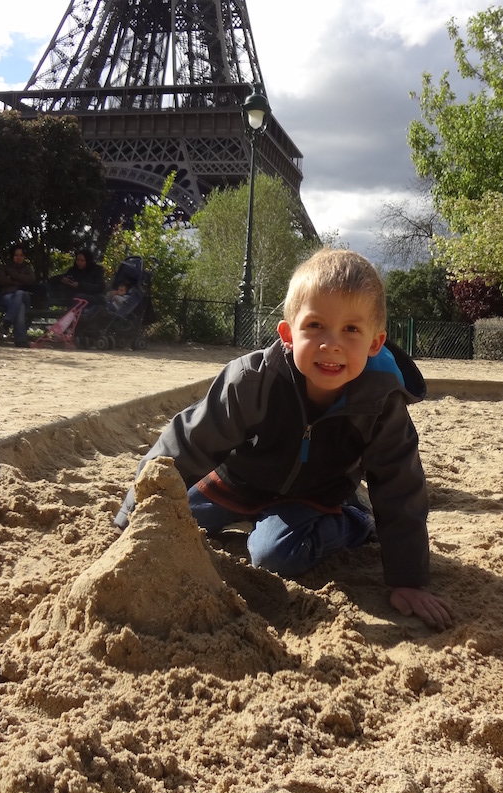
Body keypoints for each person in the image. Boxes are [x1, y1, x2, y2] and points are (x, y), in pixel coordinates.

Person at [113, 248, 453, 630]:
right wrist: (128, 521)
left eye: (351, 330)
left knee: (274, 555)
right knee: (174, 514)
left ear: (376, 343)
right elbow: (186, 444)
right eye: (315, 326)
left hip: (316, 494)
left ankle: (355, 520)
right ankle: (251, 515)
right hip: (240, 481)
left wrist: (408, 580)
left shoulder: (381, 403)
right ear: (288, 334)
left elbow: (400, 486)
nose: (332, 343)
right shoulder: (251, 381)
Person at [0, 245, 35, 348]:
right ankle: (20, 341)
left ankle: (7, 323)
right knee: (20, 306)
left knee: (20, 293)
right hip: (7, 296)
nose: (19, 257)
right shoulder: (3, 268)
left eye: (21, 255)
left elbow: (31, 280)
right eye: (16, 255)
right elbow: (2, 281)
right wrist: (21, 281)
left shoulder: (27, 268)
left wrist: (12, 277)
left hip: (25, 296)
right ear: (12, 256)